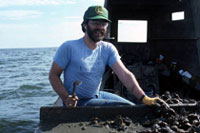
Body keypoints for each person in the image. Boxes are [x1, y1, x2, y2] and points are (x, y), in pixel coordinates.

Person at [49, 5, 165, 108]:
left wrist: (144, 98)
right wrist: (65, 97)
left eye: (103, 24)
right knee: (123, 109)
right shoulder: (69, 47)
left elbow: (124, 74)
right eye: (95, 23)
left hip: (96, 94)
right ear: (85, 25)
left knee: (131, 106)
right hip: (77, 102)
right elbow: (53, 75)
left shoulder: (108, 48)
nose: (100, 27)